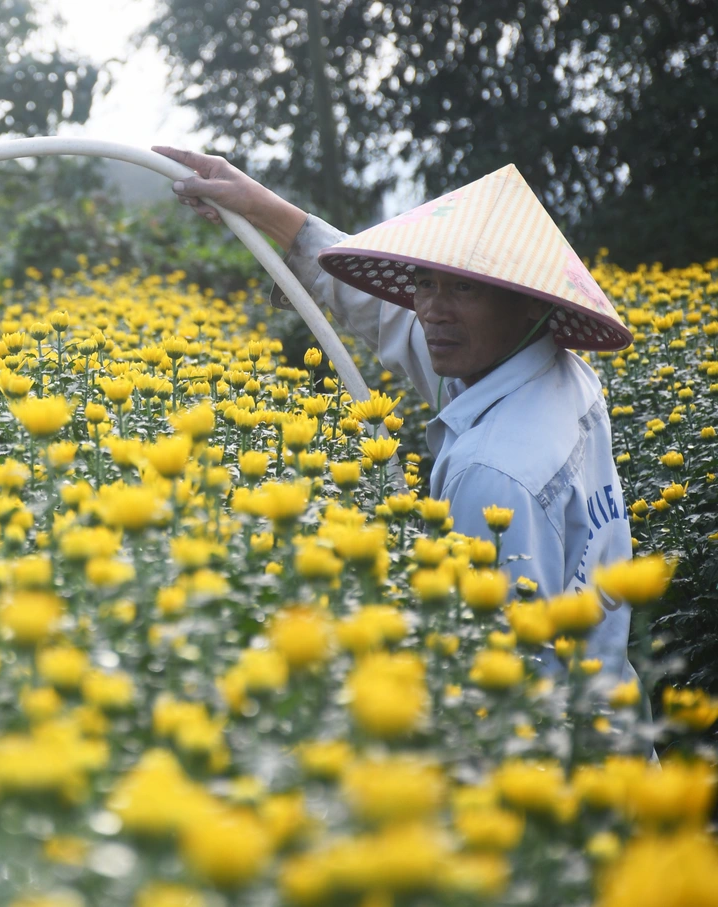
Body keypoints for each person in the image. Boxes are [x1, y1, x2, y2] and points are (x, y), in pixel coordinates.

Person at [153, 146, 639, 685]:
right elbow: (389, 316)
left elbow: (506, 682)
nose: (432, 311)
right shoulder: (552, 375)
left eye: (463, 287)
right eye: (425, 284)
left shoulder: (494, 473)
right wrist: (263, 208)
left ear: (531, 301)